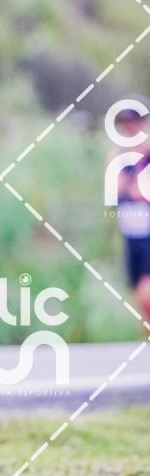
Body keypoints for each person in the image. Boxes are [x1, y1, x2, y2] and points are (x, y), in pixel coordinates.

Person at [109, 103, 150, 334]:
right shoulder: (119, 157)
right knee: (136, 293)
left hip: (147, 232)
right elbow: (116, 191)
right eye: (125, 123)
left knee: (146, 291)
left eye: (134, 122)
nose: (130, 127)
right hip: (130, 231)